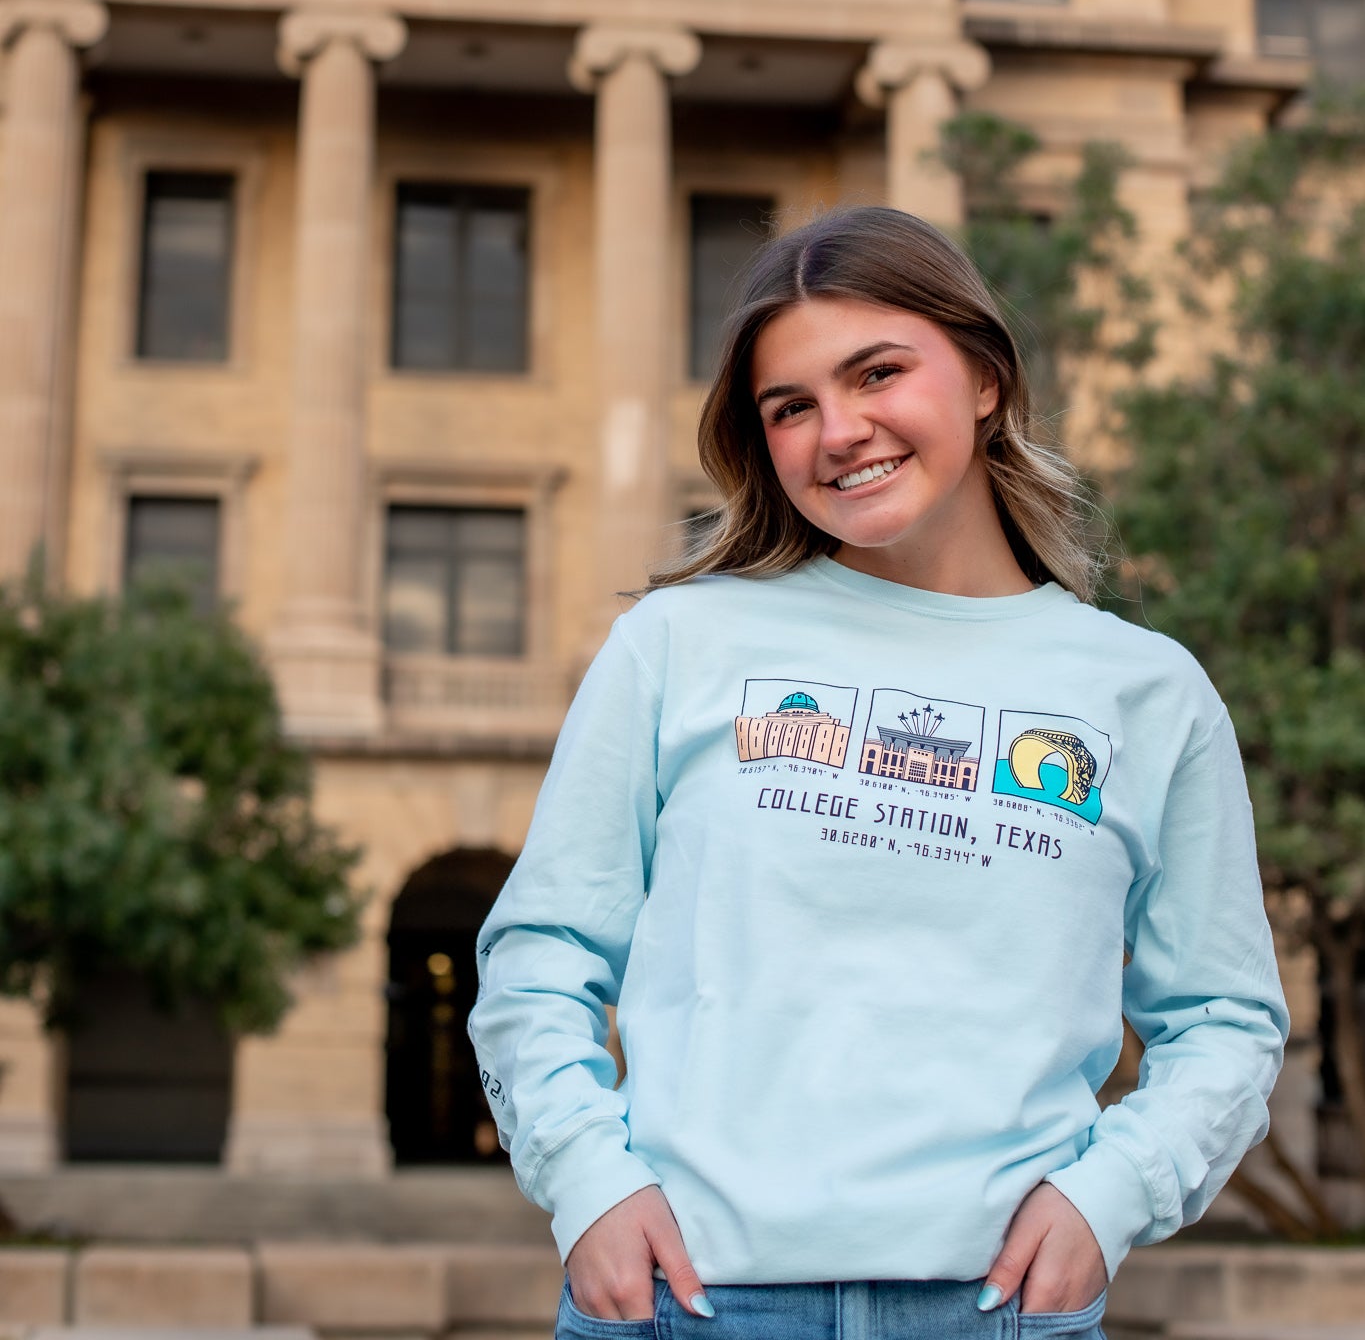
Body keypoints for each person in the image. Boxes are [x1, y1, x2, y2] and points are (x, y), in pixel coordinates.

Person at [468, 206, 1287, 1340]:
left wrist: (1111, 1195)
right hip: (685, 1300)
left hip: (999, 1310)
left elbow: (1226, 1017)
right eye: (789, 405)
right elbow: (540, 955)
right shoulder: (677, 645)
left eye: (878, 373)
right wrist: (590, 1185)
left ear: (987, 376)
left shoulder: (1145, 691)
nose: (838, 430)